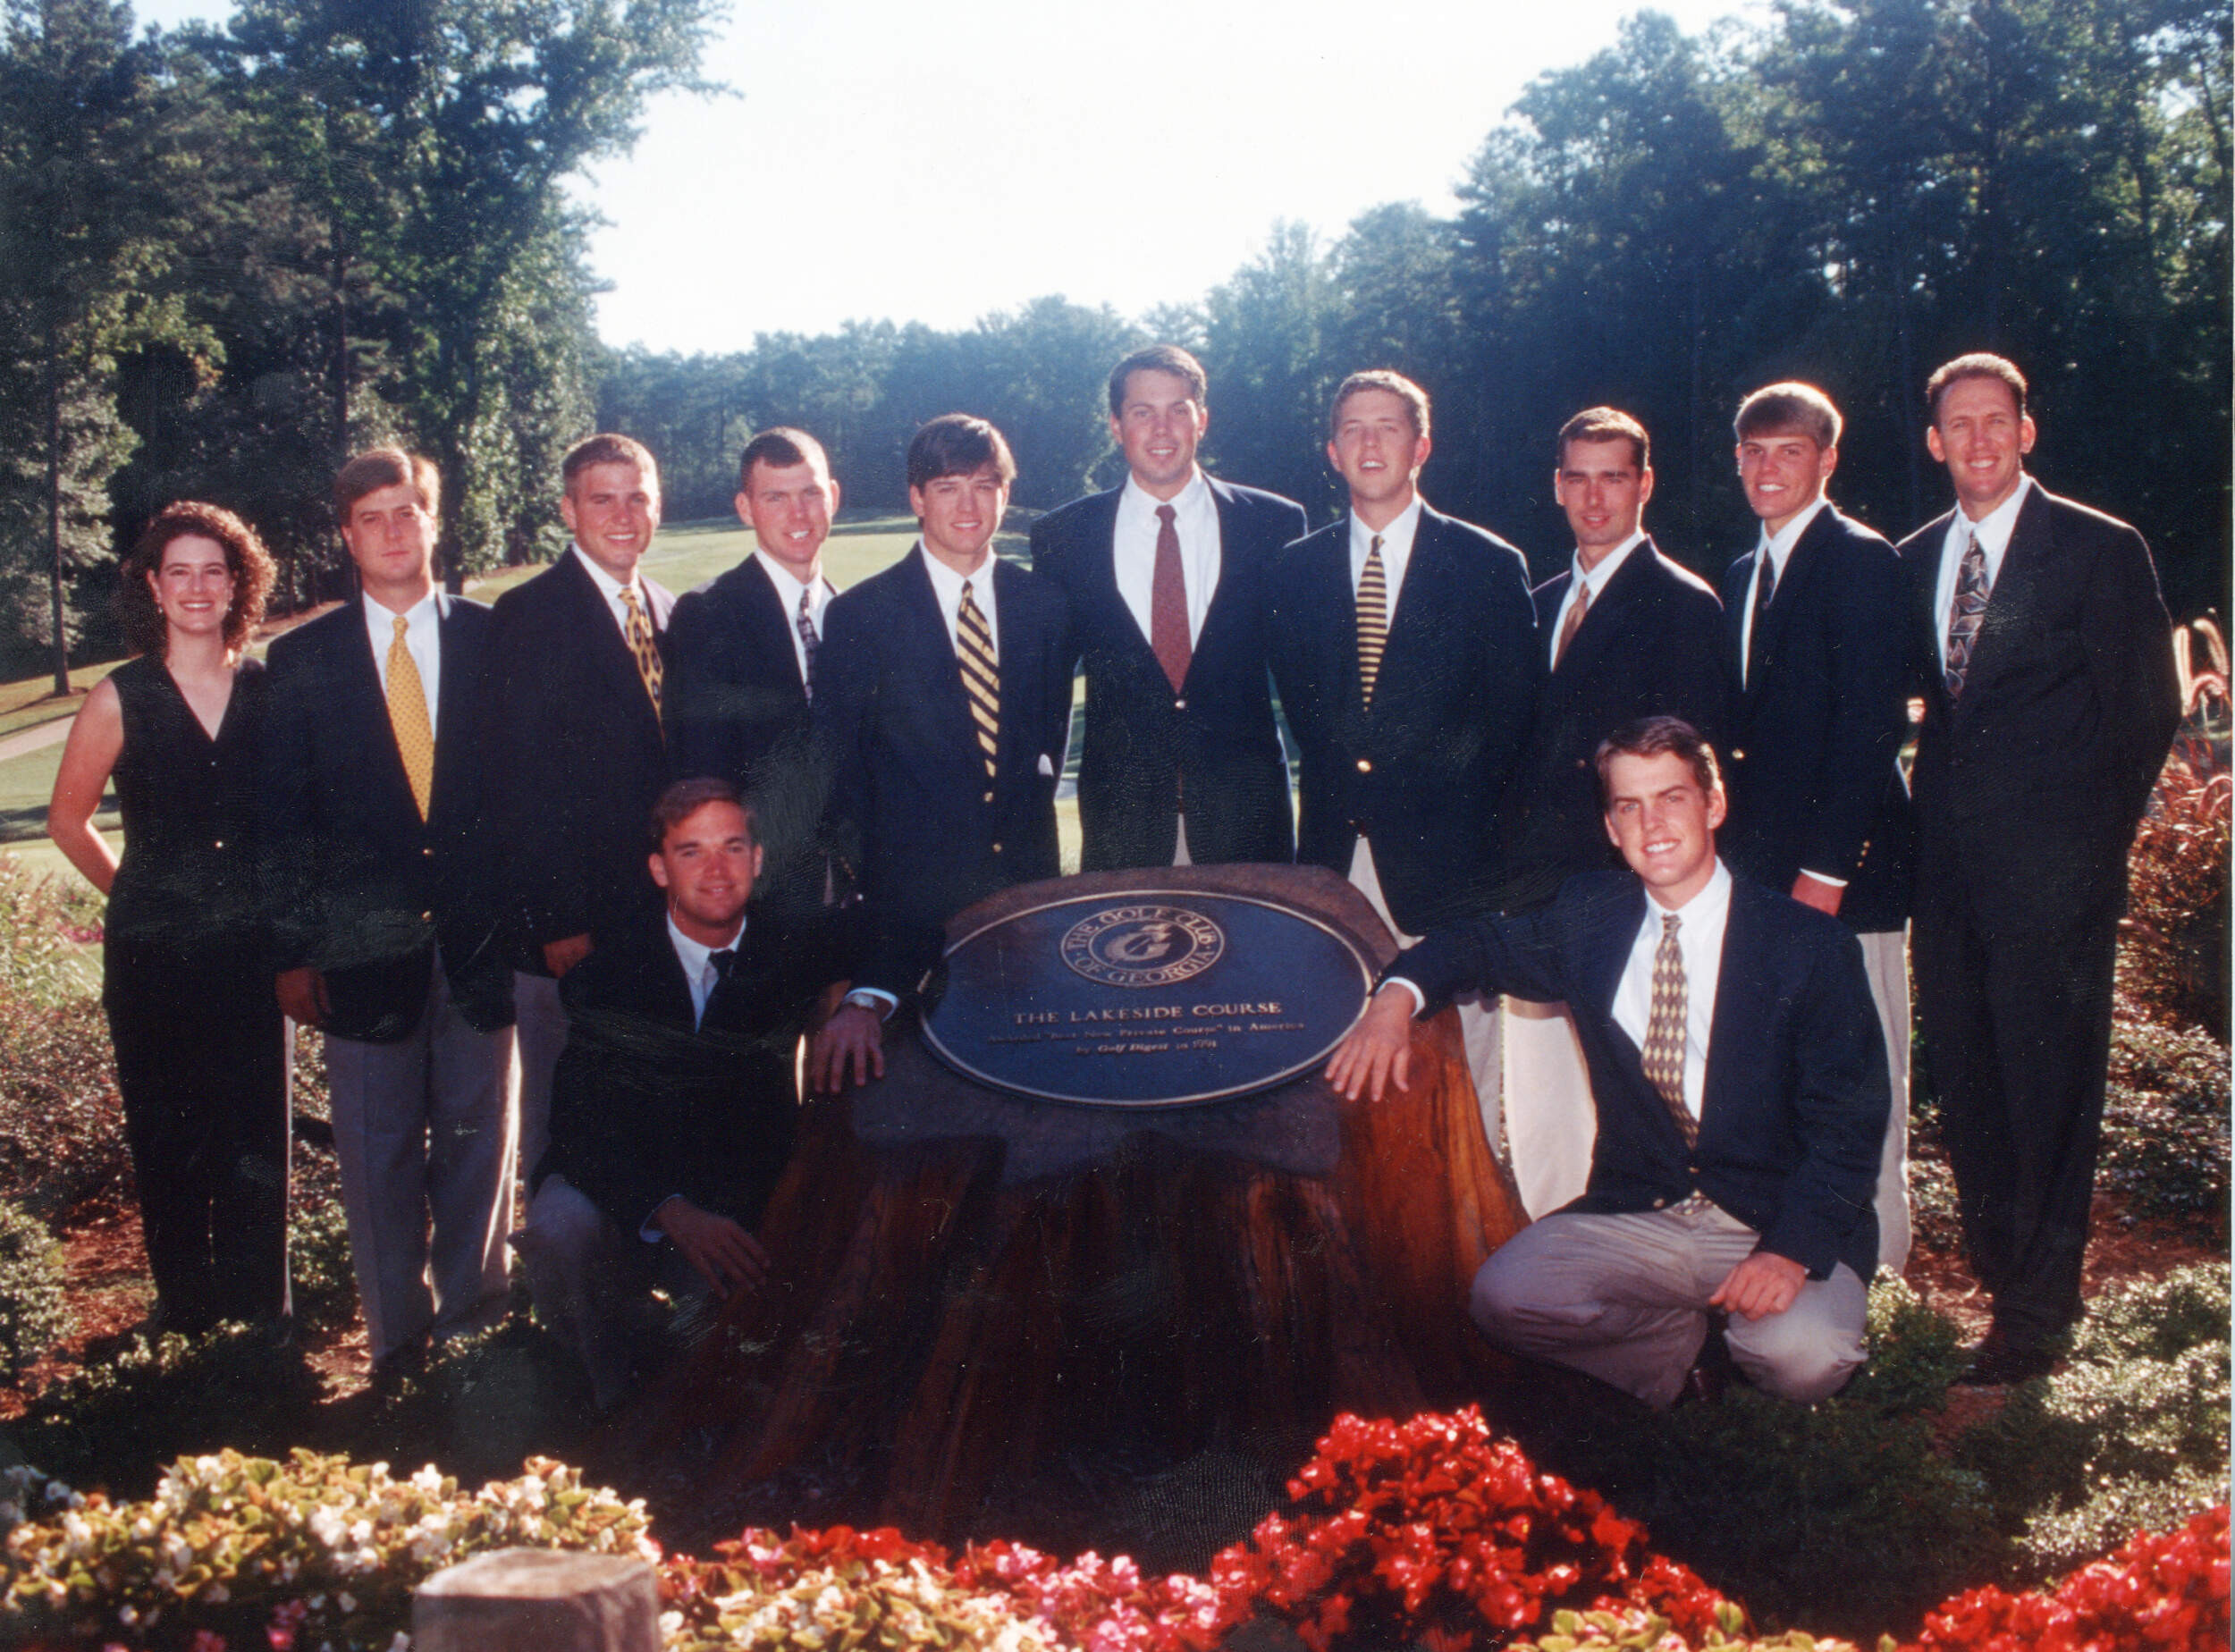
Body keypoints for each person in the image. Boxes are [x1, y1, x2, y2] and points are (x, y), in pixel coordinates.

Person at [1329, 717, 1885, 1410]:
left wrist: (1789, 1251)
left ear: (1713, 806)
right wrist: (1394, 999)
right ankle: (1686, 1358)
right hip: (1645, 1210)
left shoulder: (1807, 944)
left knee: (1803, 1357)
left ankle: (1757, 1347)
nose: (1652, 823)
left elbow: (1849, 1125)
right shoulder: (1591, 916)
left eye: (1672, 798)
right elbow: (1475, 945)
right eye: (1629, 806)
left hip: (1772, 1217)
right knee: (1507, 1298)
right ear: (1612, 827)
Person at [1897, 354, 2180, 1385]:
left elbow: (2145, 715)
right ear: (1933, 443)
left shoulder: (2097, 549)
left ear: (2025, 431)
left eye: (1994, 421)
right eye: (1955, 425)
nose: (1975, 440)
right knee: (1970, 1087)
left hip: (2053, 884)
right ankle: (2001, 1287)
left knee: (2048, 1089)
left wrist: (2081, 859)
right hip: (1949, 881)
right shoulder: (1915, 555)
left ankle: (2039, 1317)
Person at [260, 448, 517, 1378]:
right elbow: (283, 827)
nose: (393, 531)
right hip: (359, 958)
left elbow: (527, 802)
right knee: (375, 1163)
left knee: (478, 1142)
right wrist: (294, 953)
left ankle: (475, 1330)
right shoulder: (299, 662)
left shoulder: (498, 640)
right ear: (346, 536)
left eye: (408, 511)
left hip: (481, 944)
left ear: (435, 522)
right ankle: (396, 1350)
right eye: (372, 517)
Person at [1269, 369, 1537, 1141]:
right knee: (1339, 1070)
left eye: (1388, 426)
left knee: (1458, 1080)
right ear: (1331, 450)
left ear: (1422, 445)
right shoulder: (1295, 570)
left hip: (1450, 870)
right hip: (1333, 863)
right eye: (1353, 427)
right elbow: (1309, 715)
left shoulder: (1487, 565)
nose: (1370, 442)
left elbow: (1513, 726)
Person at [47, 502, 290, 1334]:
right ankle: (186, 1326)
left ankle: (261, 1329)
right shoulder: (124, 696)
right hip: (154, 963)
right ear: (153, 585)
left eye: (213, 571)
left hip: (255, 959)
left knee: (257, 1139)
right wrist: (139, 898)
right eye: (178, 571)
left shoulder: (268, 690)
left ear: (237, 584)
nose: (196, 587)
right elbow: (67, 821)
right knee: (171, 1144)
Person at [520, 780, 831, 1410]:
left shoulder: (790, 944)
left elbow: (901, 929)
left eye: (732, 847)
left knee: (723, 1382)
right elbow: (579, 1128)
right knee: (558, 1227)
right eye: (692, 852)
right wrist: (667, 1208)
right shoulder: (608, 972)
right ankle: (602, 1394)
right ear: (660, 869)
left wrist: (862, 1003)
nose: (717, 870)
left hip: (730, 1201)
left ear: (758, 859)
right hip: (627, 1192)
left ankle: (692, 1385)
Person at [1495, 409, 1732, 1218]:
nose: (1596, 498)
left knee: (1638, 1104)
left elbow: (1682, 771)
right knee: (1544, 1103)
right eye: (1579, 477)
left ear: (1645, 485)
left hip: (1626, 893)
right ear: (1557, 486)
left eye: (1615, 477)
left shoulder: (1683, 605)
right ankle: (1555, 1257)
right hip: (1538, 895)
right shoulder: (1539, 602)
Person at [1716, 383, 1916, 1273]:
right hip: (1762, 873)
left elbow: (1871, 730)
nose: (1768, 468)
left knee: (1862, 1076)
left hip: (1841, 880)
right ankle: (1803, 1260)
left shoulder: (1860, 560)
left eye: (1788, 451)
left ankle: (1879, 1275)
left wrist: (1826, 875)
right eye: (1754, 451)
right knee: (1792, 1077)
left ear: (1826, 461)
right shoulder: (1739, 574)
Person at [810, 414, 1072, 1091]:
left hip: (1025, 898)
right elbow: (845, 781)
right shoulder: (862, 616)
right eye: (948, 486)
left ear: (1005, 496)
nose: (967, 505)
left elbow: (1045, 747)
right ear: (916, 498)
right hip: (909, 915)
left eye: (985, 486)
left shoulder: (1043, 607)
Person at [1029, 344, 1305, 870]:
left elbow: (1307, 680)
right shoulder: (1063, 538)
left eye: (1178, 409)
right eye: (1142, 412)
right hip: (1124, 827)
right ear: (1116, 425)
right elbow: (1044, 691)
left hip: (1248, 824)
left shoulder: (1273, 525)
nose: (1162, 428)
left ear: (1202, 419)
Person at [487, 434, 675, 1186]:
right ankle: (566, 1299)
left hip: (663, 926)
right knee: (568, 1125)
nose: (623, 514)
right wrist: (560, 921)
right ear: (569, 510)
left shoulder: (669, 610)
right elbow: (513, 784)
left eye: (638, 497)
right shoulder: (528, 616)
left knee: (654, 1119)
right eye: (603, 498)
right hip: (577, 931)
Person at [664, 427, 844, 922]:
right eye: (776, 497)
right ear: (746, 508)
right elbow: (704, 776)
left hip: (855, 899)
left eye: (810, 493)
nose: (798, 514)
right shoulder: (708, 615)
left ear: (833, 496)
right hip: (764, 902)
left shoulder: (856, 615)